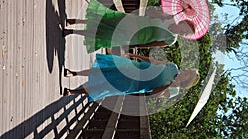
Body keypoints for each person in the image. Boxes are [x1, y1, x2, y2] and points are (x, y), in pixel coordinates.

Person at [63, 0, 195, 53]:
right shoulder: (169, 18)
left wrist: (133, 46)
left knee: (104, 35)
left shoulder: (171, 40)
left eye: (185, 34)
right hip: (132, 22)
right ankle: (76, 21)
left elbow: (152, 44)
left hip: (133, 37)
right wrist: (161, 15)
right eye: (185, 30)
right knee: (105, 20)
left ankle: (72, 31)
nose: (183, 33)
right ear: (182, 23)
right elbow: (149, 12)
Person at [63, 53, 199, 101]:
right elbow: (154, 61)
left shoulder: (174, 91)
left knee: (104, 87)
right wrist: (136, 56)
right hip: (134, 68)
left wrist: (170, 84)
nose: (185, 71)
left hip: (133, 85)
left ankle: (73, 92)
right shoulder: (173, 67)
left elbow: (154, 94)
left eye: (188, 73)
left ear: (187, 80)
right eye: (187, 70)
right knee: (104, 70)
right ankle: (74, 73)